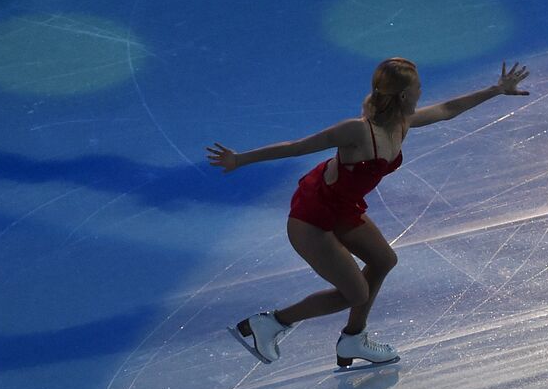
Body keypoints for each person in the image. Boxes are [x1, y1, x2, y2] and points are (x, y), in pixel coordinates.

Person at [208, 59, 530, 367]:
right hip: (311, 218)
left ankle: (353, 339)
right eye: (418, 88)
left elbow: (447, 110)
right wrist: (240, 159)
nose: (422, 93)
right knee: (354, 293)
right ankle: (272, 323)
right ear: (404, 95)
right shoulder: (357, 132)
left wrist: (496, 90)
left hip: (342, 209)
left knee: (383, 260)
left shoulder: (402, 123)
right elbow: (297, 147)